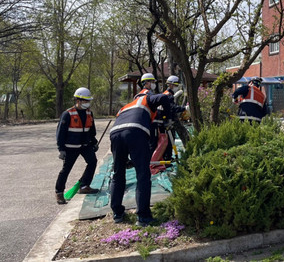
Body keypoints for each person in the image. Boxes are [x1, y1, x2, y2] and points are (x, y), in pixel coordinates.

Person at [109, 92, 172, 226]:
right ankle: (143, 216)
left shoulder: (125, 107)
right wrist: (168, 117)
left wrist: (124, 158)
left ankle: (117, 213)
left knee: (118, 174)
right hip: (135, 132)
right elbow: (164, 98)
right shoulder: (146, 99)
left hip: (115, 134)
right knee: (143, 175)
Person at [55, 87, 100, 204]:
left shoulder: (89, 113)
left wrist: (94, 142)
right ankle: (59, 193)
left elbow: (91, 131)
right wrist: (61, 149)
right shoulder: (68, 114)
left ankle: (84, 186)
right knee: (66, 169)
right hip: (71, 147)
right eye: (85, 101)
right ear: (78, 100)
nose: (87, 103)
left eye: (88, 101)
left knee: (93, 162)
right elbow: (60, 133)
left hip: (85, 145)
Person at [158, 75, 186, 160]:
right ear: (170, 85)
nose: (177, 87)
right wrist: (184, 108)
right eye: (176, 85)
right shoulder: (167, 95)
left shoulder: (167, 94)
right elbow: (172, 108)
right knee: (169, 140)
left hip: (166, 120)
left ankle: (168, 157)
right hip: (166, 121)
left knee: (170, 140)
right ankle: (167, 158)